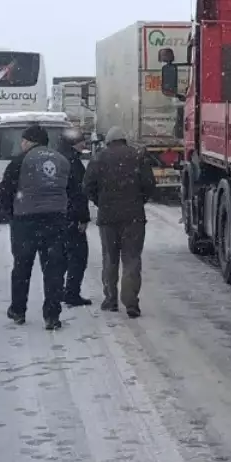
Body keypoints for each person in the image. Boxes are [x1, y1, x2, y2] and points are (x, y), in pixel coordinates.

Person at [0, 124, 69, 330]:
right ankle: (52, 315)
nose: (21, 144)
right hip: (55, 221)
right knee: (53, 269)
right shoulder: (62, 160)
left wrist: (12, 215)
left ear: (29, 141)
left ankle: (18, 311)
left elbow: (6, 190)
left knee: (22, 268)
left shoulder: (20, 161)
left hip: (25, 222)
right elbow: (73, 190)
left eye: (23, 140)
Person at [83, 126, 156, 318]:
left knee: (110, 258)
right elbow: (149, 185)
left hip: (108, 218)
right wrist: (138, 201)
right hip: (134, 218)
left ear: (108, 141)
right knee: (132, 259)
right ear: (124, 140)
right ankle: (131, 302)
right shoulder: (138, 156)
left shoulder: (99, 157)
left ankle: (110, 299)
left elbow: (87, 185)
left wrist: (100, 202)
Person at [56, 130, 93, 308]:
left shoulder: (57, 159)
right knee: (78, 256)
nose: (84, 145)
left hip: (57, 215)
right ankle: (71, 293)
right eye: (81, 142)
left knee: (60, 256)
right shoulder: (74, 163)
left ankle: (57, 290)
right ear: (73, 144)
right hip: (71, 216)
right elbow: (79, 194)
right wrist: (83, 218)